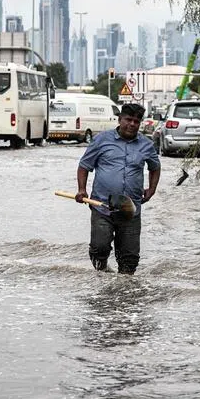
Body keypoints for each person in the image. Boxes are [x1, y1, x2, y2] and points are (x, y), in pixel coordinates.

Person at [76, 103, 161, 274]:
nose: (132, 124)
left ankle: (125, 292)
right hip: (102, 206)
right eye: (128, 120)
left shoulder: (146, 145)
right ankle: (103, 277)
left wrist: (151, 190)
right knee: (99, 248)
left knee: (129, 258)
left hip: (131, 209)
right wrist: (82, 189)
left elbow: (155, 167)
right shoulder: (101, 140)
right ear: (120, 119)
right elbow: (84, 165)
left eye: (136, 121)